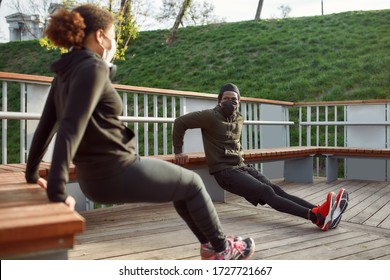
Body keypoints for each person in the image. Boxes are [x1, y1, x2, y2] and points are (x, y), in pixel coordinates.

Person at [24, 5, 255, 260]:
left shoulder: (64, 76)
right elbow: (69, 127)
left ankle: (212, 247)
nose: (114, 42)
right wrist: (57, 191)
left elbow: (47, 126)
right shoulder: (93, 68)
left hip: (92, 179)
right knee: (194, 184)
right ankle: (222, 249)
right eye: (113, 35)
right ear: (99, 36)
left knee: (182, 185)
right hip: (117, 170)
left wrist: (32, 173)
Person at [173, 83, 349, 239]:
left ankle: (323, 210)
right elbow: (180, 122)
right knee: (266, 191)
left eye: (233, 99)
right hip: (225, 172)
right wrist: (178, 151)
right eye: (226, 98)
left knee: (277, 190)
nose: (230, 101)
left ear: (239, 101)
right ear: (219, 101)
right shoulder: (209, 116)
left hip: (241, 166)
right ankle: (316, 217)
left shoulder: (238, 118)